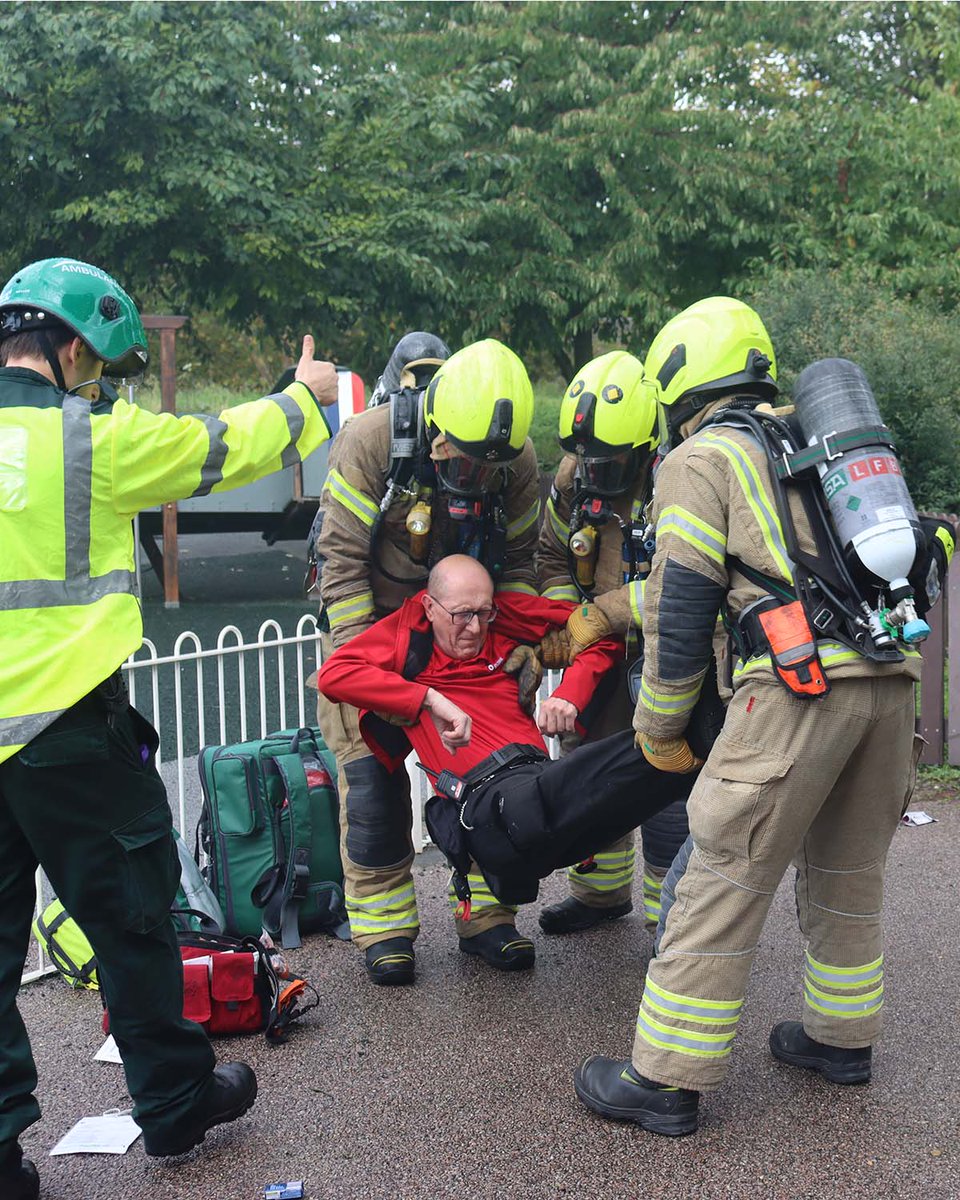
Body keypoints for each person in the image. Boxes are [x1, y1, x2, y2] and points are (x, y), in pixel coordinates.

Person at [0, 256, 338, 1197]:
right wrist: (304, 397)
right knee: (134, 923)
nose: (97, 384)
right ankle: (177, 1104)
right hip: (72, 731)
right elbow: (215, 448)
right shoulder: (90, 439)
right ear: (71, 349)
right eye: (97, 367)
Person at [572, 296, 942, 1137]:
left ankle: (664, 1079)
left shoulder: (699, 458)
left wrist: (659, 728)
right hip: (889, 682)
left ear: (678, 384)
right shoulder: (820, 445)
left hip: (796, 689)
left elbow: (681, 605)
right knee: (850, 868)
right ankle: (841, 1039)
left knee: (723, 876)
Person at [316, 555, 693, 983]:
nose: (475, 627)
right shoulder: (403, 635)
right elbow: (334, 674)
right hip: (489, 800)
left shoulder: (505, 615)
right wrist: (426, 700)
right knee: (548, 796)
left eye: (484, 613)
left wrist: (569, 694)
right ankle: (393, 934)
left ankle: (490, 923)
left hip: (533, 776)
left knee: (631, 783)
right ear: (429, 607)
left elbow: (599, 631)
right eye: (462, 615)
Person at [313, 338, 543, 984]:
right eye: (462, 464)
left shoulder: (518, 460)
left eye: (486, 470)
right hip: (377, 631)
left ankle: (486, 916)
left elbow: (518, 563)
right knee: (372, 784)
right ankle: (385, 928)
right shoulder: (370, 442)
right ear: (438, 432)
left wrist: (515, 643)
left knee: (498, 776)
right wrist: (370, 674)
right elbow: (341, 565)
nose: (474, 478)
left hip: (468, 635)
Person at [537, 351, 693, 936]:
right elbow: (551, 555)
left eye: (609, 463)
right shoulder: (572, 476)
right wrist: (567, 619)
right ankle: (599, 896)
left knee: (667, 777)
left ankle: (670, 921)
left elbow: (686, 580)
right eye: (587, 460)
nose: (594, 473)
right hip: (599, 652)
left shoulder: (682, 479)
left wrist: (601, 615)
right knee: (592, 771)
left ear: (646, 447)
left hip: (668, 651)